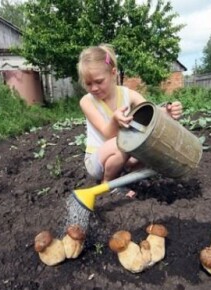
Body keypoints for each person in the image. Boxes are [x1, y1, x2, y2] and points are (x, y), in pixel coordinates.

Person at [77, 44, 183, 197]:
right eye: (88, 84)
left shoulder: (128, 94)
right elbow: (108, 134)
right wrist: (114, 120)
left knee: (144, 146)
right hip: (96, 161)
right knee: (122, 142)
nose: (94, 88)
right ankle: (108, 184)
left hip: (122, 154)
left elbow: (151, 112)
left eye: (99, 81)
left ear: (113, 73)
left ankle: (129, 179)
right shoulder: (87, 101)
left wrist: (168, 111)